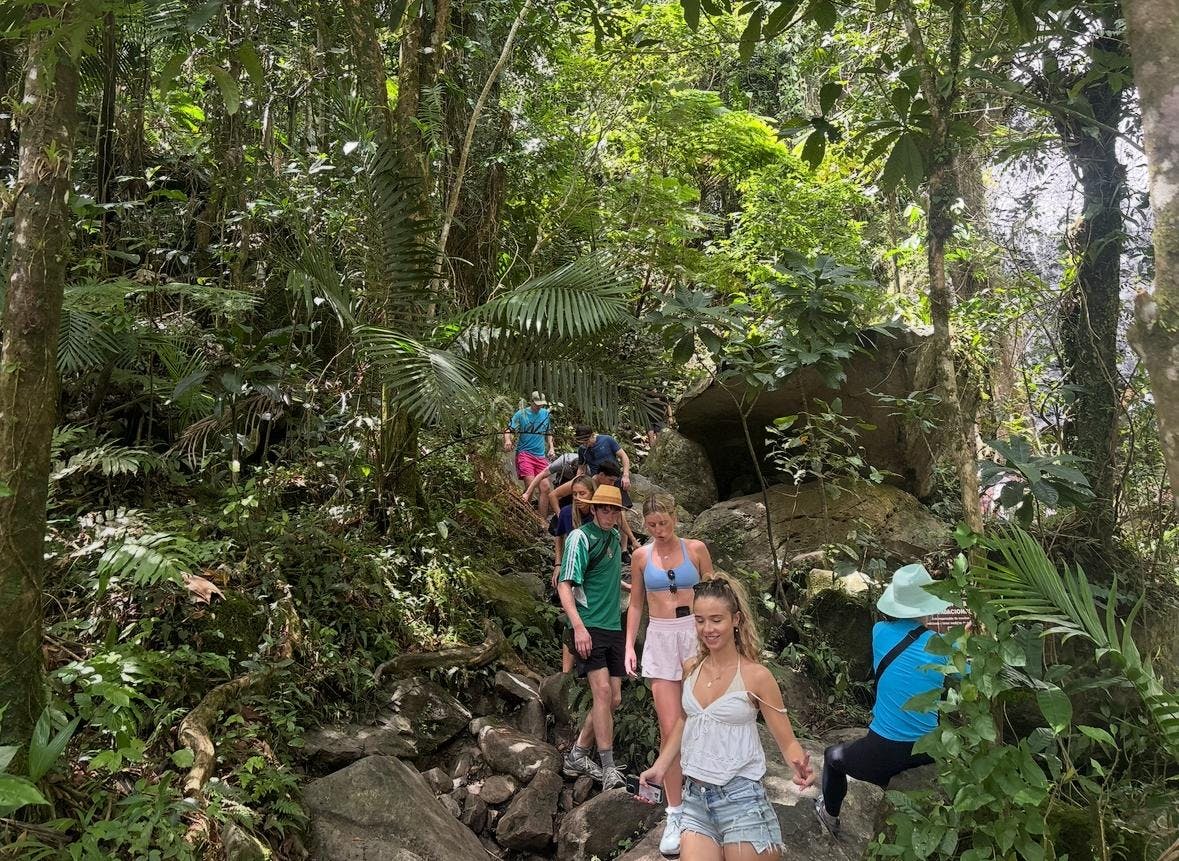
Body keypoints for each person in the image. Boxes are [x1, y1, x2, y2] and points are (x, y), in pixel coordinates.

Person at [640, 575, 814, 860]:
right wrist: (660, 768)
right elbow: (685, 720)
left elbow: (787, 742)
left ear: (736, 619)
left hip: (742, 799)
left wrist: (800, 766)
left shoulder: (757, 676)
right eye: (699, 620)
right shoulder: (691, 667)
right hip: (695, 798)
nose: (707, 629)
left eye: (716, 619)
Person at [813, 563, 959, 838]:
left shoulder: (879, 631)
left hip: (884, 750)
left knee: (833, 757)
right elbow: (967, 671)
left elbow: (909, 637)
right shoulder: (944, 645)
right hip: (928, 748)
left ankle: (829, 815)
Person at [624, 493, 715, 856]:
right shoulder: (641, 556)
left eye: (664, 523)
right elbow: (635, 603)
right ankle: (676, 811)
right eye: (652, 526)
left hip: (695, 634)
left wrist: (722, 640)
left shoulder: (696, 549)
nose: (659, 531)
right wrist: (629, 645)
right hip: (660, 636)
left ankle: (708, 801)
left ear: (675, 518)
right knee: (669, 726)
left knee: (705, 719)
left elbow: (716, 595)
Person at [557, 484, 629, 789]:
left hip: (613, 626)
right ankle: (609, 767)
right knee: (601, 694)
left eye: (614, 510)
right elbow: (565, 584)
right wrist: (578, 626)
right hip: (589, 626)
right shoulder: (580, 538)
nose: (609, 514)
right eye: (604, 508)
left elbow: (607, 576)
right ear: (594, 508)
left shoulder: (613, 537)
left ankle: (577, 753)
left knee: (613, 699)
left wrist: (630, 588)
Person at [551, 476, 597, 673]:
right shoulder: (567, 513)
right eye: (575, 494)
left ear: (592, 494)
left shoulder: (598, 515)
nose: (578, 498)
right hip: (572, 569)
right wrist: (558, 563)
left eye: (582, 493)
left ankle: (591, 662)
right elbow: (559, 538)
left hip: (592, 569)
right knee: (572, 617)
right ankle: (566, 672)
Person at [504, 392, 556, 517]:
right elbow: (508, 429)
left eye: (541, 405)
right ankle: (524, 516)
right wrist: (508, 440)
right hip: (525, 454)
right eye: (537, 404)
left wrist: (551, 448)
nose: (539, 407)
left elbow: (548, 432)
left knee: (545, 487)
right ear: (531, 402)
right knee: (530, 486)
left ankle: (542, 520)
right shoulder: (521, 414)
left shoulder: (545, 414)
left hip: (540, 455)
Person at [575, 424, 632, 490]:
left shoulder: (607, 440)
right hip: (598, 481)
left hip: (614, 477)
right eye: (582, 443)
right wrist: (577, 482)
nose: (585, 444)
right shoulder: (582, 449)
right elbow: (581, 469)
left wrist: (625, 476)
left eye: (587, 441)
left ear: (593, 435)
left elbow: (623, 456)